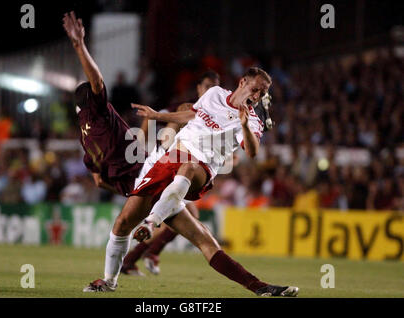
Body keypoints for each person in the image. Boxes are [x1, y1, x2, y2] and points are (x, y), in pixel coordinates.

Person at [78, 34, 299, 297]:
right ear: (242, 82)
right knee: (128, 224)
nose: (258, 95)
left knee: (189, 167)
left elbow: (251, 152)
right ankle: (109, 282)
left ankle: (151, 223)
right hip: (167, 164)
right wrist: (158, 115)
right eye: (256, 89)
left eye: (263, 92)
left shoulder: (252, 120)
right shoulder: (215, 94)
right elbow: (193, 113)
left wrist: (243, 125)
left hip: (199, 170)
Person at [121, 71, 221, 276]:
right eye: (208, 86)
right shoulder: (185, 109)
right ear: (199, 89)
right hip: (162, 165)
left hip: (177, 168)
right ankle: (137, 257)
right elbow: (155, 133)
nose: (212, 91)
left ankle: (135, 258)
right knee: (164, 218)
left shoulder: (215, 117)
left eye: (216, 87)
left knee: (177, 216)